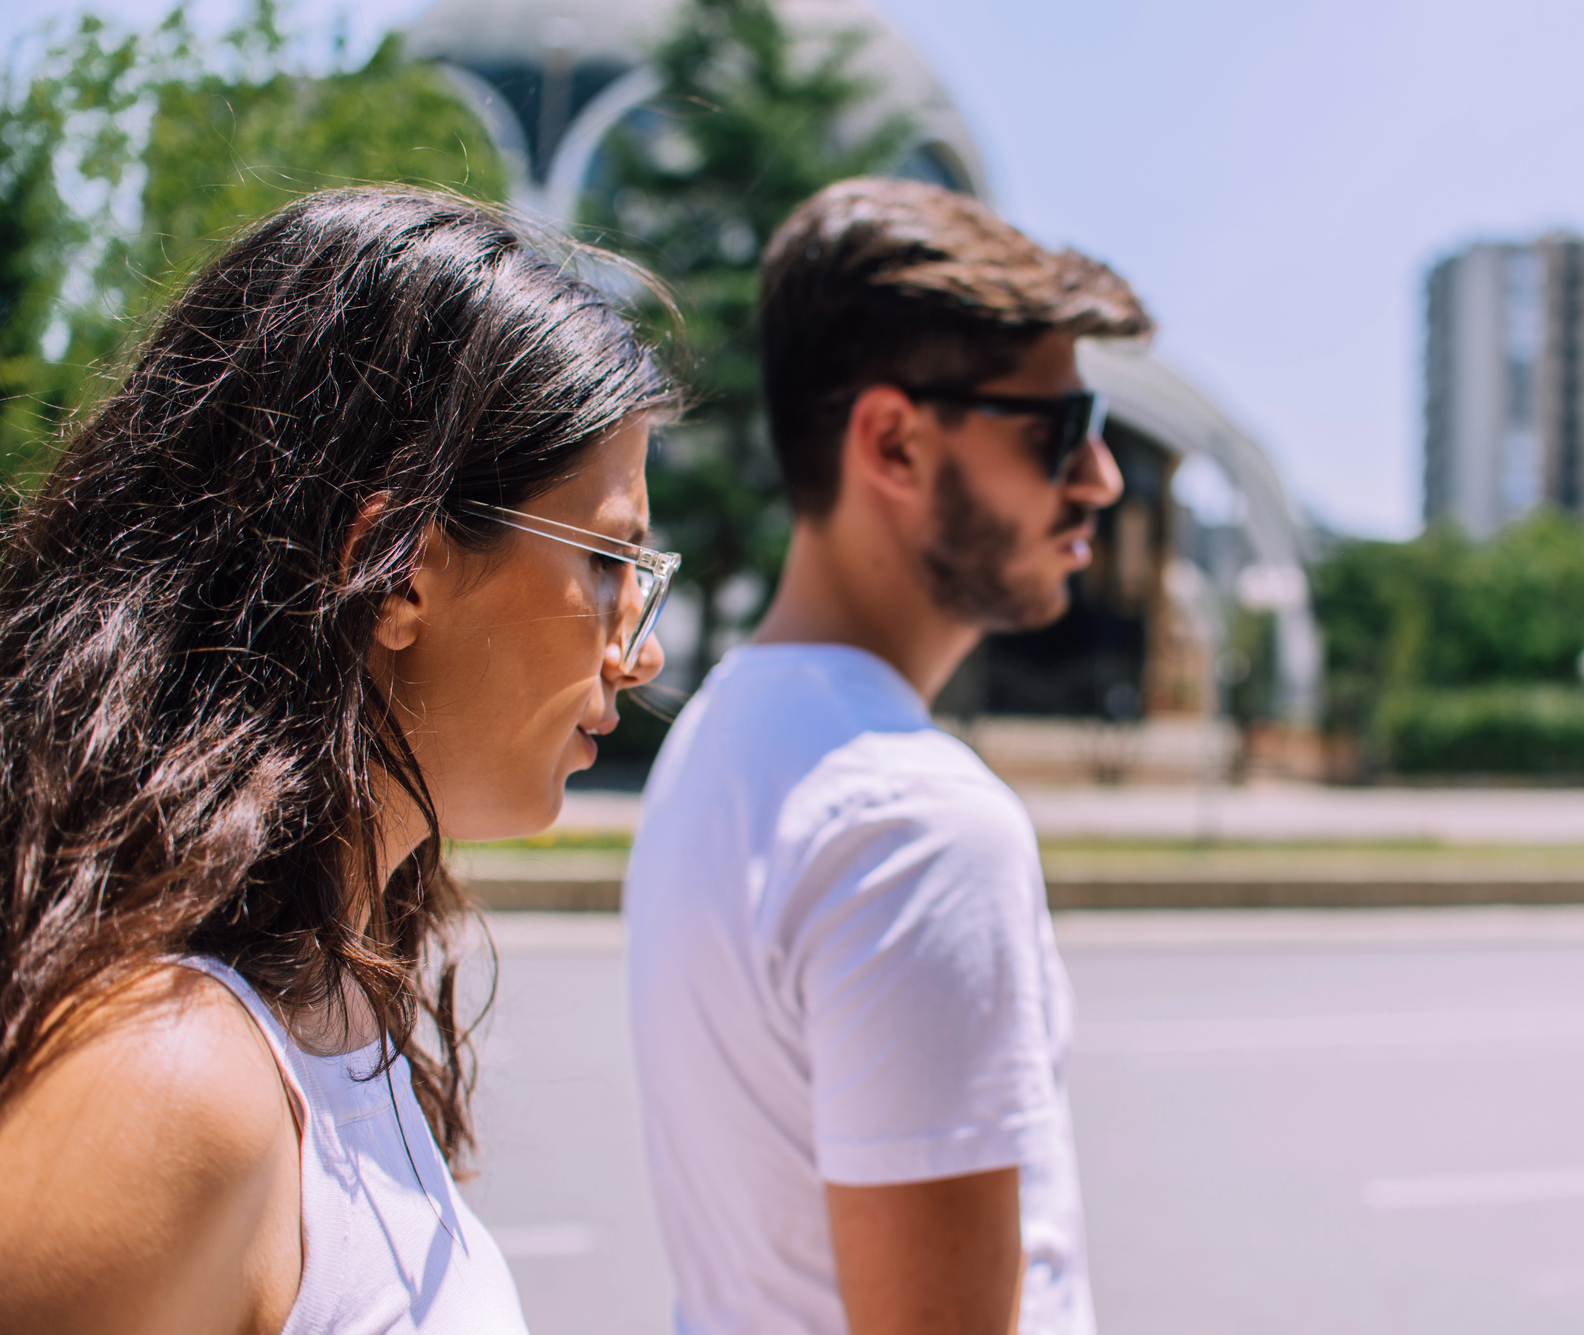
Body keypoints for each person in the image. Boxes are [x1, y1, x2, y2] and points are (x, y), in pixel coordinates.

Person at [0, 188, 675, 1332]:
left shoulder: (329, 983)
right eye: (606, 563)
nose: (640, 651)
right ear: (399, 564)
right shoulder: (171, 1083)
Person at [624, 177, 1152, 1335]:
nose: (1100, 479)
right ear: (895, 442)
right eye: (1058, 431)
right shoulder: (914, 822)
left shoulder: (719, 739)